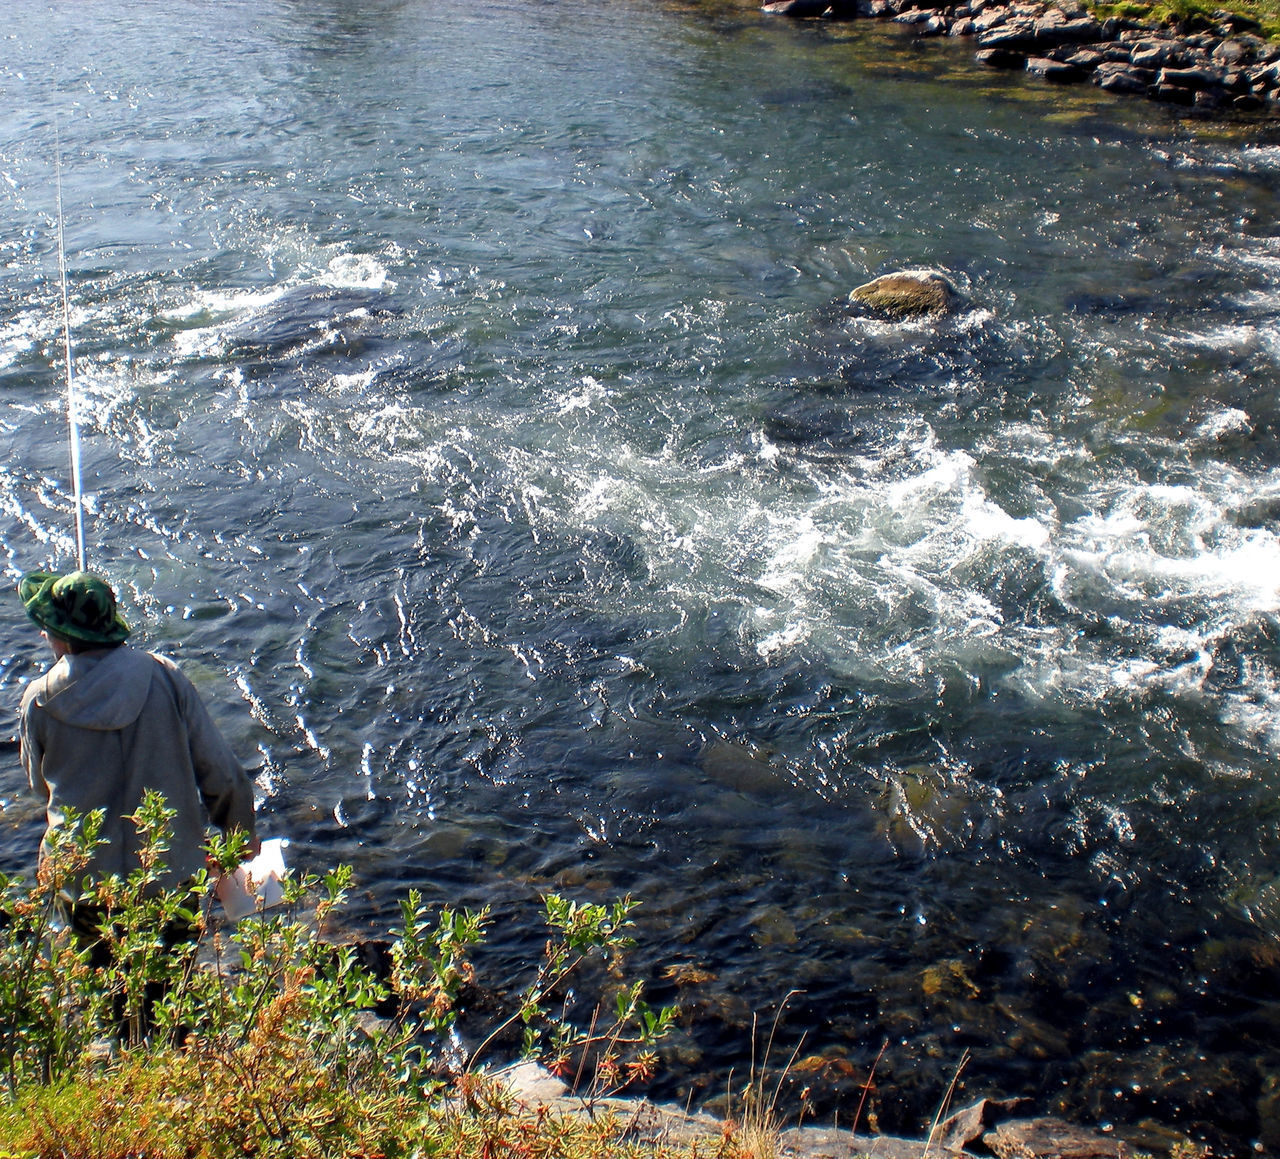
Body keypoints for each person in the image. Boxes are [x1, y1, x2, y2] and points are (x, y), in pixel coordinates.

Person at [16, 569, 258, 945]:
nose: (43, 633)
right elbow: (223, 775)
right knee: (166, 995)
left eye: (48, 626)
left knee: (102, 987)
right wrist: (239, 835)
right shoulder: (166, 676)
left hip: (86, 885)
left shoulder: (39, 701)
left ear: (62, 636)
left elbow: (39, 787)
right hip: (170, 877)